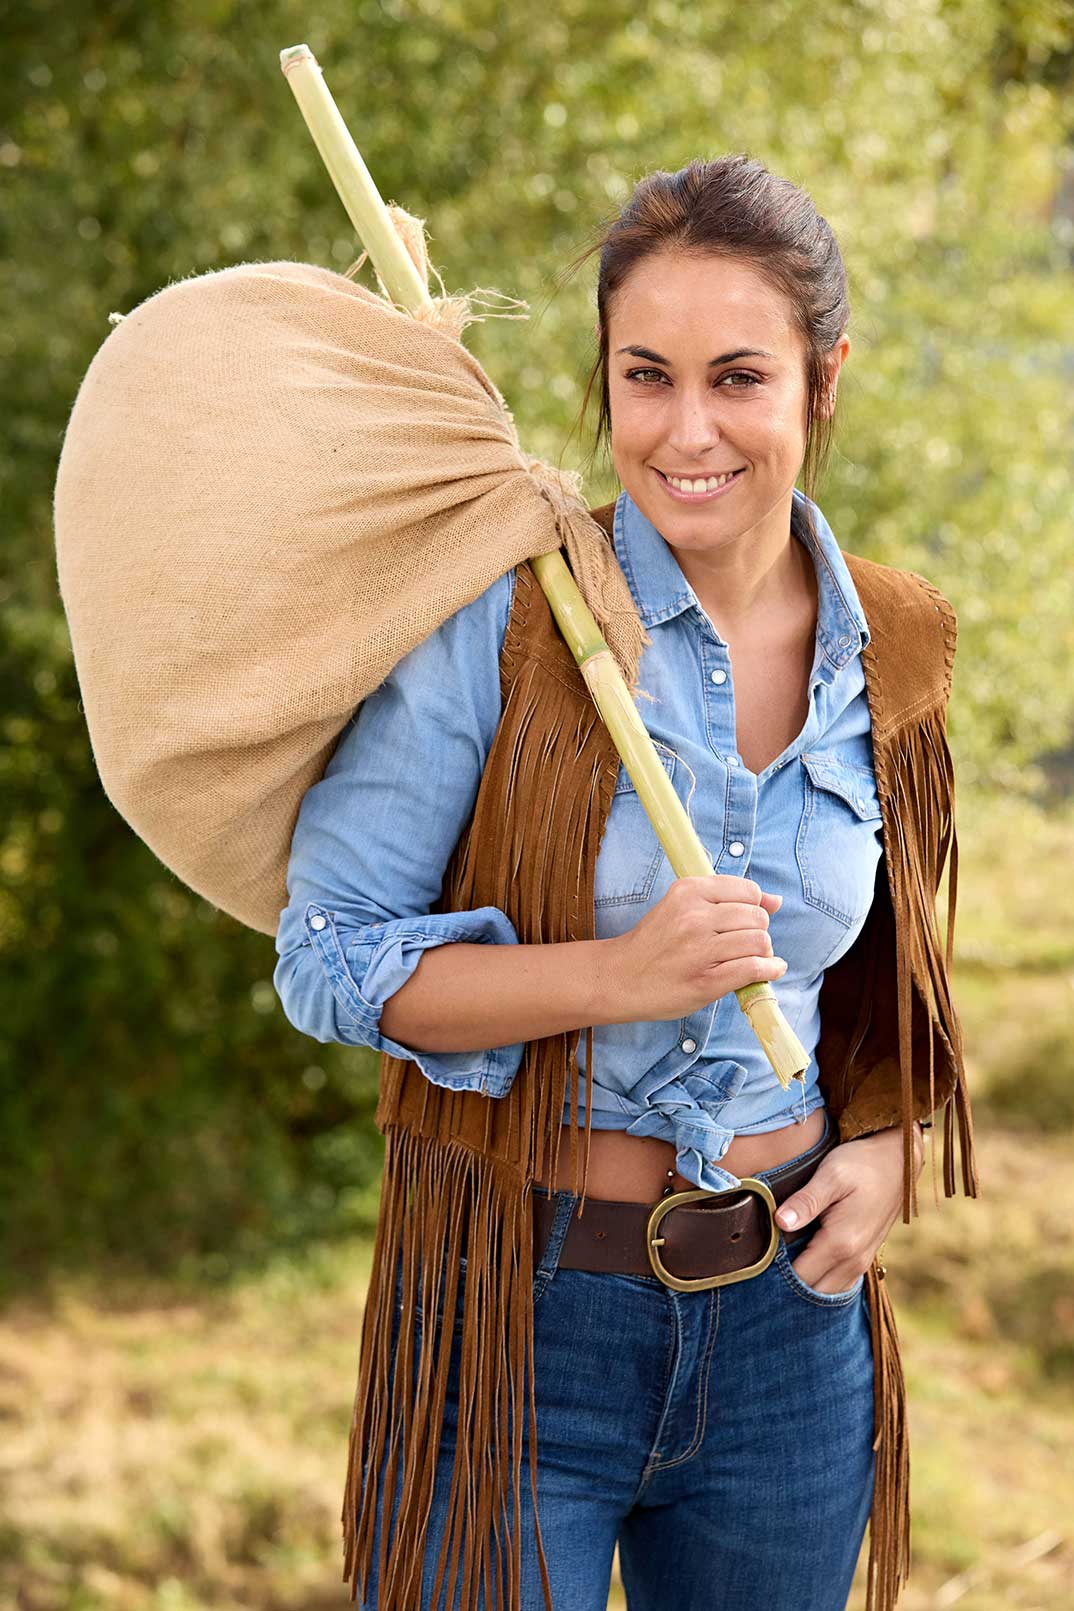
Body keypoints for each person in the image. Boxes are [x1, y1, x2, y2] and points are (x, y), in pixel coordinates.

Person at [274, 155, 953, 1611]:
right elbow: (327, 956)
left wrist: (886, 1140)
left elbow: (881, 966)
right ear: (601, 377)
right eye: (644, 376)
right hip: (510, 1322)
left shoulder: (886, 646)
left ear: (822, 381)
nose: (686, 429)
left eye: (737, 378)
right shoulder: (504, 619)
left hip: (787, 1331)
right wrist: (613, 977)